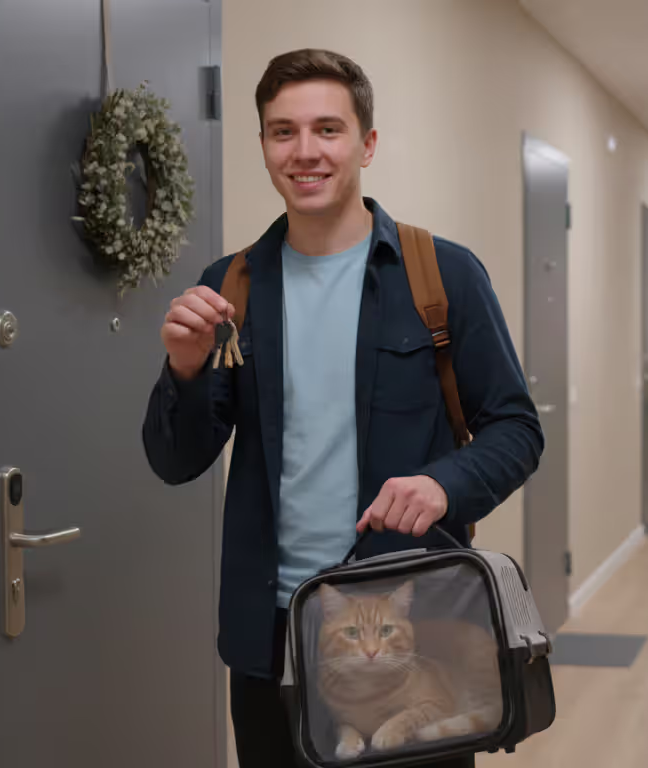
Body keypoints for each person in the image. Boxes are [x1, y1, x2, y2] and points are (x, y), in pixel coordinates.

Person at [142, 48, 544, 767]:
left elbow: (517, 429)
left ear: (367, 143)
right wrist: (185, 368)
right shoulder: (230, 286)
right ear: (264, 145)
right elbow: (176, 461)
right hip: (272, 639)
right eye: (283, 131)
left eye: (328, 129)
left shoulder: (442, 275)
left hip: (410, 634)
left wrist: (443, 484)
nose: (305, 151)